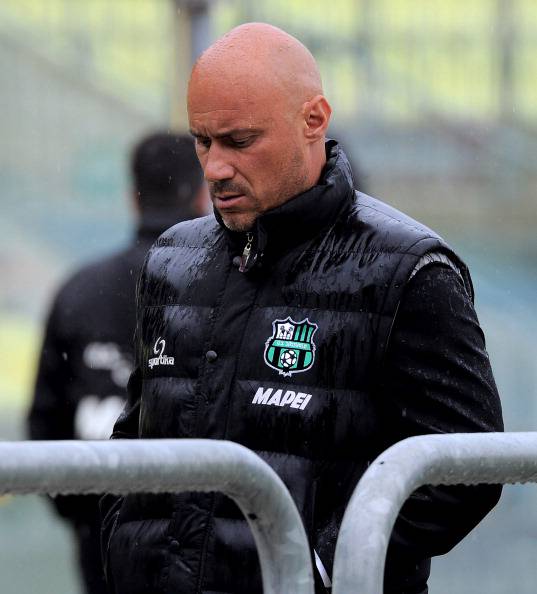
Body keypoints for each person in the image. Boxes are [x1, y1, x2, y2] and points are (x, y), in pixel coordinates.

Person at [101, 24, 503, 594]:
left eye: (239, 141)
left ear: (314, 119)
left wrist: (319, 571)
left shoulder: (408, 270)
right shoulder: (172, 258)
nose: (214, 168)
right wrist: (125, 549)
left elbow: (467, 470)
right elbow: (137, 433)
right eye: (202, 141)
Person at [27, 131, 207, 594]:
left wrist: (87, 513)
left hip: (100, 537)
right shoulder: (220, 290)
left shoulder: (80, 290)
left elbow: (45, 420)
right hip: (201, 537)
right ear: (201, 195)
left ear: (132, 197)